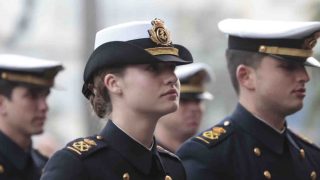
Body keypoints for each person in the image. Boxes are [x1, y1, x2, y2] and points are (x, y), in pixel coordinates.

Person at [41, 18, 193, 180]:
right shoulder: (76, 166)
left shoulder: (172, 168)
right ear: (113, 83)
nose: (171, 78)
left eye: (172, 68)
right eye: (153, 69)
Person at [177, 19, 320, 180]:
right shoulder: (207, 157)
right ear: (246, 77)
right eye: (289, 67)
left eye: (304, 67)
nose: (305, 77)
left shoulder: (311, 156)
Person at [0, 54, 63, 180]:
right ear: (1, 104)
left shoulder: (44, 165)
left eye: (45, 96)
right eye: (32, 96)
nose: (44, 106)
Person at [155, 62, 214, 152]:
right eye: (183, 100)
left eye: (198, 101)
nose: (195, 108)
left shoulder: (207, 155)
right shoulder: (144, 157)